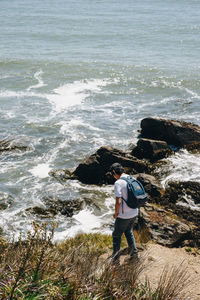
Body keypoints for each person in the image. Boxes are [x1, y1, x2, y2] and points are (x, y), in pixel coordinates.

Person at [110, 162, 138, 265]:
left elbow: (118, 202)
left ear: (114, 172)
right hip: (134, 212)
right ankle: (134, 255)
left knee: (116, 235)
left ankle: (115, 260)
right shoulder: (131, 178)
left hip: (124, 215)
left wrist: (116, 214)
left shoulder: (118, 183)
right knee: (128, 232)